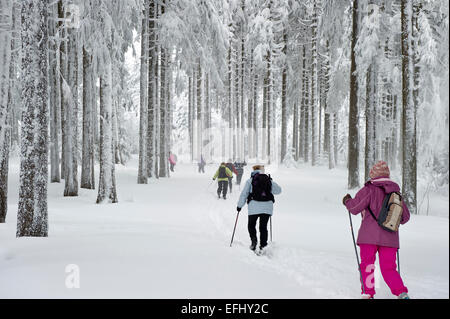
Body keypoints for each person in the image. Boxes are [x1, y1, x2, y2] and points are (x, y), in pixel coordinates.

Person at [343, 161, 410, 300]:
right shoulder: (396, 193)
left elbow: (354, 208)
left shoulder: (369, 189)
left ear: (373, 175)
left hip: (368, 237)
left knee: (368, 265)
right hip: (390, 238)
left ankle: (368, 293)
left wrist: (347, 201)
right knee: (389, 268)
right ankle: (401, 293)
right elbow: (405, 218)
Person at [236, 165, 282, 251]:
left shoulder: (250, 181)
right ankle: (263, 245)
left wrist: (239, 206)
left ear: (253, 170)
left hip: (254, 207)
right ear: (262, 170)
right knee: (263, 227)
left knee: (251, 225)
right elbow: (279, 191)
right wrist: (271, 182)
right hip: (267, 208)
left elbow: (244, 194)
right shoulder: (268, 180)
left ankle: (254, 241)